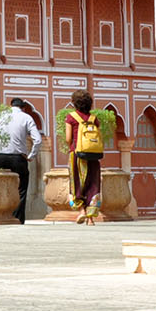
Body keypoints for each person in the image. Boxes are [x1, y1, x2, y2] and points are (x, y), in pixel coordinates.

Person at [0, 98, 42, 224]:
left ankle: (0, 217)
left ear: (10, 106)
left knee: (0, 187)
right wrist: (31, 156)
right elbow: (37, 140)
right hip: (18, 158)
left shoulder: (1, 116)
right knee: (20, 189)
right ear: (24, 108)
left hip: (1, 157)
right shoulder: (26, 117)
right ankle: (17, 219)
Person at [64, 90, 105, 224]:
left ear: (74, 103)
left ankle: (81, 210)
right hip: (93, 155)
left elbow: (68, 138)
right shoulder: (94, 119)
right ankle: (91, 218)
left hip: (77, 154)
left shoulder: (71, 117)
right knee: (92, 183)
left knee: (77, 183)